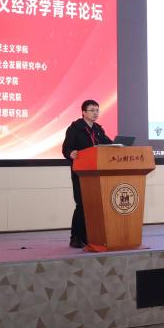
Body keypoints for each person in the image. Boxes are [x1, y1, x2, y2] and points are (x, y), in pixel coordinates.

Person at [62, 99, 113, 248]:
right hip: (81, 173)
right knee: (82, 204)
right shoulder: (75, 128)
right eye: (92, 110)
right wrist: (71, 153)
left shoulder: (98, 130)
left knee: (94, 205)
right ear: (83, 112)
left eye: (97, 110)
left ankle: (90, 236)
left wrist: (119, 146)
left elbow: (108, 144)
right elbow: (66, 148)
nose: (95, 113)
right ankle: (76, 237)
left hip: (97, 173)